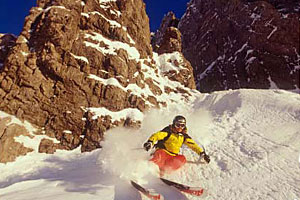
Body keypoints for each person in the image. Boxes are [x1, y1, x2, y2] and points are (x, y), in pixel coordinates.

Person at [143, 115, 210, 175]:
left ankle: (162, 172)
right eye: (178, 125)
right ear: (174, 124)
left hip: (172, 156)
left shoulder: (184, 136)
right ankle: (146, 169)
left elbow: (193, 145)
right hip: (163, 152)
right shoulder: (168, 131)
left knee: (182, 159)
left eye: (182, 125)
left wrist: (202, 153)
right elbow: (157, 135)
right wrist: (150, 142)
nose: (180, 127)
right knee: (159, 155)